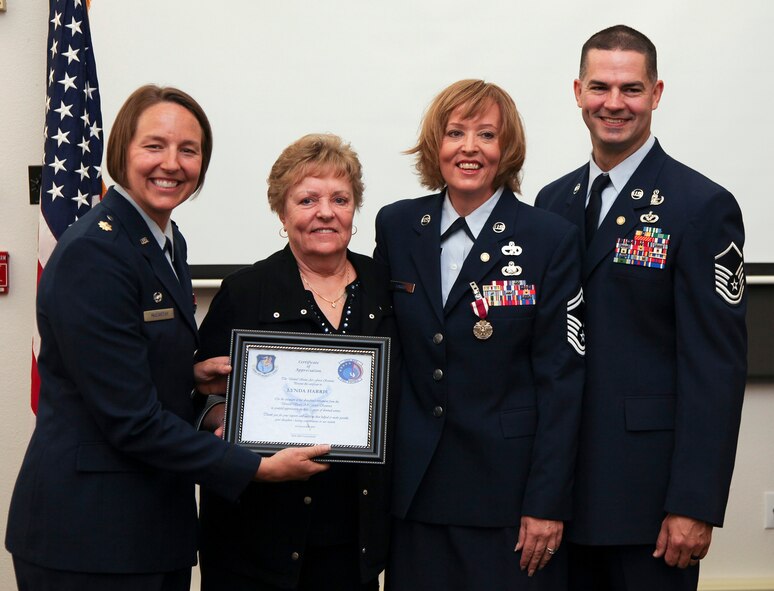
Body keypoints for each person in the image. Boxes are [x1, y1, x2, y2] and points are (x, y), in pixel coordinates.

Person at [5, 85, 327, 591]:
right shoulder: (97, 252)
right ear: (122, 152)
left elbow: (134, 364)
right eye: (154, 146)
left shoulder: (165, 241)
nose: (171, 164)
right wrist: (254, 468)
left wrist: (192, 377)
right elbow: (130, 420)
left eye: (188, 150)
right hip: (90, 538)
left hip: (148, 530)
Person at [534, 25, 747, 591]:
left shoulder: (701, 206)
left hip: (648, 507)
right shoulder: (552, 202)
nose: (614, 103)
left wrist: (694, 503)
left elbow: (715, 368)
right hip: (556, 500)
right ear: (577, 91)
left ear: (656, 94)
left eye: (631, 89)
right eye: (600, 87)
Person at [374, 79, 585, 590]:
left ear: (506, 149)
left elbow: (561, 380)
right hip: (415, 492)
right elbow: (381, 349)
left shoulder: (548, 238)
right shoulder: (398, 225)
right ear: (435, 145)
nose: (469, 148)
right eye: (455, 133)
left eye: (486, 135)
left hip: (507, 500)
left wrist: (546, 503)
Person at [194, 133, 398, 591]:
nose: (325, 212)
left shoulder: (387, 289)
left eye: (340, 199)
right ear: (282, 215)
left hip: (355, 534)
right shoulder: (244, 292)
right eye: (307, 199)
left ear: (354, 211)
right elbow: (198, 394)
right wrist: (222, 418)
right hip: (257, 536)